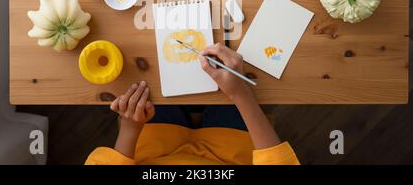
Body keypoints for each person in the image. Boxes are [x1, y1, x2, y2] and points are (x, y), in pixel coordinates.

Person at [86, 43, 299, 165]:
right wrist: (240, 94)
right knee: (233, 57)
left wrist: (130, 128)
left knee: (150, 76)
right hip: (230, 152)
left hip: (153, 149)